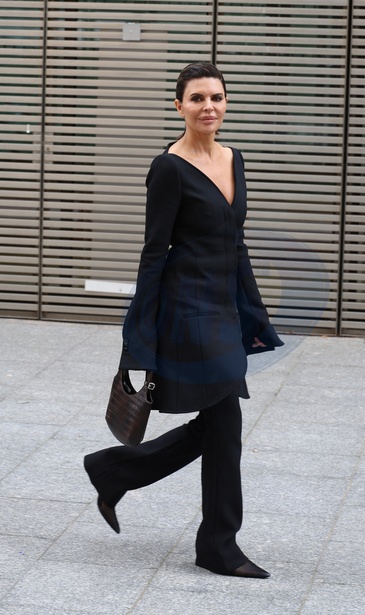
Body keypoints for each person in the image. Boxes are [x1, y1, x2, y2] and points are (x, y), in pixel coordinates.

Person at [84, 61, 283, 579]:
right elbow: (154, 253)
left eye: (216, 97)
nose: (208, 106)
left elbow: (236, 242)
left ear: (226, 103)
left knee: (217, 425)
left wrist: (253, 310)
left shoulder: (234, 158)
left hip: (223, 305)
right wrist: (138, 334)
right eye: (197, 98)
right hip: (188, 309)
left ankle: (113, 470)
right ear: (179, 106)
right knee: (226, 423)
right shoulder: (168, 168)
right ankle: (217, 545)